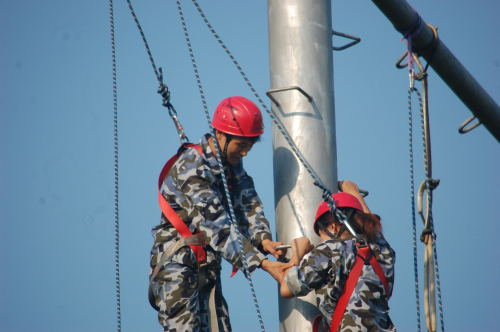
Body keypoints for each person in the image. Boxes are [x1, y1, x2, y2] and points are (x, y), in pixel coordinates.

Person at [149, 96, 287, 332]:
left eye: (250, 146)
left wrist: (263, 240)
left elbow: (248, 204)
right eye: (241, 145)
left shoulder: (230, 165)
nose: (245, 153)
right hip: (178, 268)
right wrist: (262, 263)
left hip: (207, 267)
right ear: (220, 135)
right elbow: (217, 227)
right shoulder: (192, 168)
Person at [269, 181, 396, 332]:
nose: (320, 241)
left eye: (320, 234)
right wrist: (354, 193)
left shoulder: (330, 249)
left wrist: (298, 252)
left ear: (333, 227)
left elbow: (286, 289)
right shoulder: (383, 250)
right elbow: (373, 227)